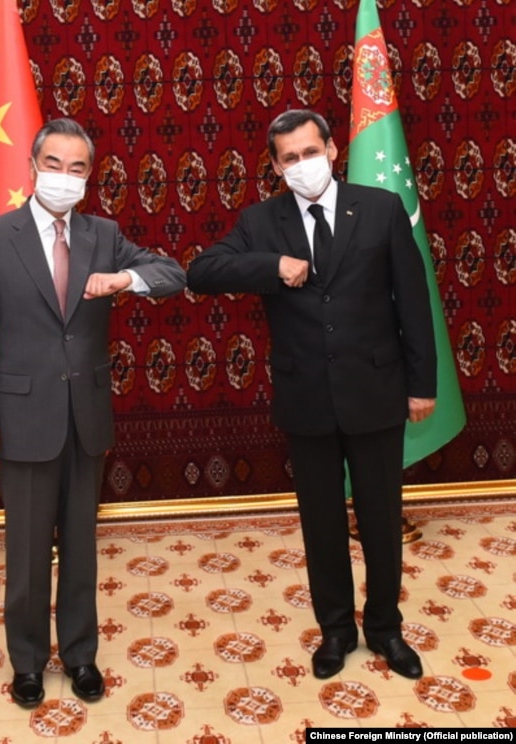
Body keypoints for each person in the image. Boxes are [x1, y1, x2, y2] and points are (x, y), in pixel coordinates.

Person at [187, 109, 436, 680]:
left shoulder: (379, 208)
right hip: (307, 399)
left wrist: (423, 385)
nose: (303, 165)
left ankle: (385, 630)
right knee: (321, 524)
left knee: (380, 518)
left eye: (310, 152)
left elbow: (413, 301)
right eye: (289, 158)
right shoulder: (261, 220)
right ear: (275, 166)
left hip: (376, 390)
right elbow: (202, 271)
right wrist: (272, 265)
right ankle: (336, 632)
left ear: (332, 150)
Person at [0, 117, 185, 708]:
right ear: (32, 168)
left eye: (77, 167)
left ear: (89, 175)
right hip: (21, 418)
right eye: (53, 164)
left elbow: (172, 273)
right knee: (27, 552)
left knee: (81, 547)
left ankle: (80, 655)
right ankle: (28, 663)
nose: (64, 177)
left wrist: (125, 278)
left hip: (86, 418)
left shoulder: (102, 235)